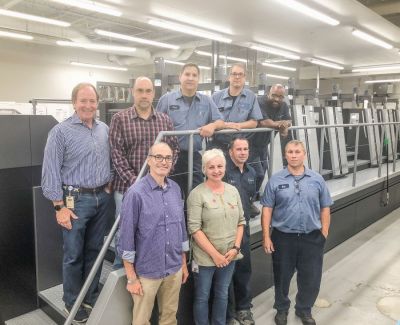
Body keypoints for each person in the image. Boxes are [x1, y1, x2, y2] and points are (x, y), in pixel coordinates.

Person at [42, 82, 113, 323]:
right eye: (83, 101)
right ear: (74, 102)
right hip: (74, 201)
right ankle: (72, 302)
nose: (88, 105)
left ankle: (91, 295)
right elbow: (50, 171)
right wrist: (59, 207)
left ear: (97, 103)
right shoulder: (60, 132)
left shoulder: (104, 128)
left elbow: (109, 159)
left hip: (102, 198)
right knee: (74, 254)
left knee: (96, 251)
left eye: (92, 101)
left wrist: (110, 181)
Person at [261, 140, 333, 325]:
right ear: (285, 155)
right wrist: (266, 236)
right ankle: (282, 310)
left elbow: (325, 207)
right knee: (282, 276)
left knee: (311, 276)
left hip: (312, 237)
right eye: (290, 152)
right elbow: (267, 209)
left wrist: (324, 231)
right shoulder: (276, 180)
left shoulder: (317, 179)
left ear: (304, 154)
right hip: (283, 237)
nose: (293, 155)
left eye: (297, 151)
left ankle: (304, 309)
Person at [109, 76, 178, 268]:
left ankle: (149, 275)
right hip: (127, 190)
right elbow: (117, 155)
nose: (144, 95)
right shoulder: (120, 119)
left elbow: (175, 150)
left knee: (151, 234)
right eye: (140, 91)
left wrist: (161, 175)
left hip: (158, 191)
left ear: (153, 94)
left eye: (148, 91)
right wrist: (138, 184)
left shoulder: (164, 120)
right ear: (133, 92)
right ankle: (121, 274)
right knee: (125, 235)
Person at [118, 142, 189, 325]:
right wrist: (131, 277)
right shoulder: (135, 193)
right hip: (147, 272)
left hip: (174, 268)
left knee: (169, 318)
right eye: (158, 157)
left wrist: (183, 264)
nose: (163, 162)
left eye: (168, 158)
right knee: (141, 321)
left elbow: (180, 227)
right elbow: (126, 237)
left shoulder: (175, 189)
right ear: (149, 160)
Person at [187, 149, 245, 325]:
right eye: (211, 167)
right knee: (202, 296)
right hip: (205, 258)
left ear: (225, 167)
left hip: (229, 256)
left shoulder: (233, 191)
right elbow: (194, 229)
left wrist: (235, 249)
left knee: (222, 293)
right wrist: (215, 255)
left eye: (220, 166)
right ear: (204, 169)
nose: (216, 170)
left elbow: (241, 221)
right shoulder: (197, 194)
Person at [156, 63, 225, 197]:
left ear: (198, 79)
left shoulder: (206, 101)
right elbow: (155, 124)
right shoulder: (167, 99)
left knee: (195, 195)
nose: (190, 78)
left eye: (194, 75)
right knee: (169, 195)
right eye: (187, 74)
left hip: (194, 156)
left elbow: (221, 121)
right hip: (170, 157)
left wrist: (212, 126)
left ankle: (191, 218)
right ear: (180, 77)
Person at [224, 138, 257, 325]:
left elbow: (251, 198)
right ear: (230, 152)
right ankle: (228, 314)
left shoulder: (252, 172)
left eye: (245, 149)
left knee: (244, 270)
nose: (243, 152)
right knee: (227, 273)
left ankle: (244, 309)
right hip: (225, 229)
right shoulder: (223, 171)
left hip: (243, 229)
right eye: (239, 149)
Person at [211, 63, 263, 152]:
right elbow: (209, 120)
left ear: (244, 78)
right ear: (229, 77)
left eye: (240, 74)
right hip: (218, 144)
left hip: (240, 146)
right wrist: (225, 125)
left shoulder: (251, 97)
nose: (237, 77)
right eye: (234, 74)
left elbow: (254, 122)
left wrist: (238, 125)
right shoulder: (216, 97)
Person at [252, 84, 292, 191]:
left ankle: (252, 196)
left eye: (280, 97)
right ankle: (247, 199)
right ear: (268, 93)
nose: (277, 99)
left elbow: (288, 121)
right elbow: (264, 122)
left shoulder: (283, 105)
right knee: (256, 173)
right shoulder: (259, 102)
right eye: (274, 95)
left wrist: (284, 125)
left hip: (264, 145)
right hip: (250, 144)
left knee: (263, 171)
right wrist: (280, 125)